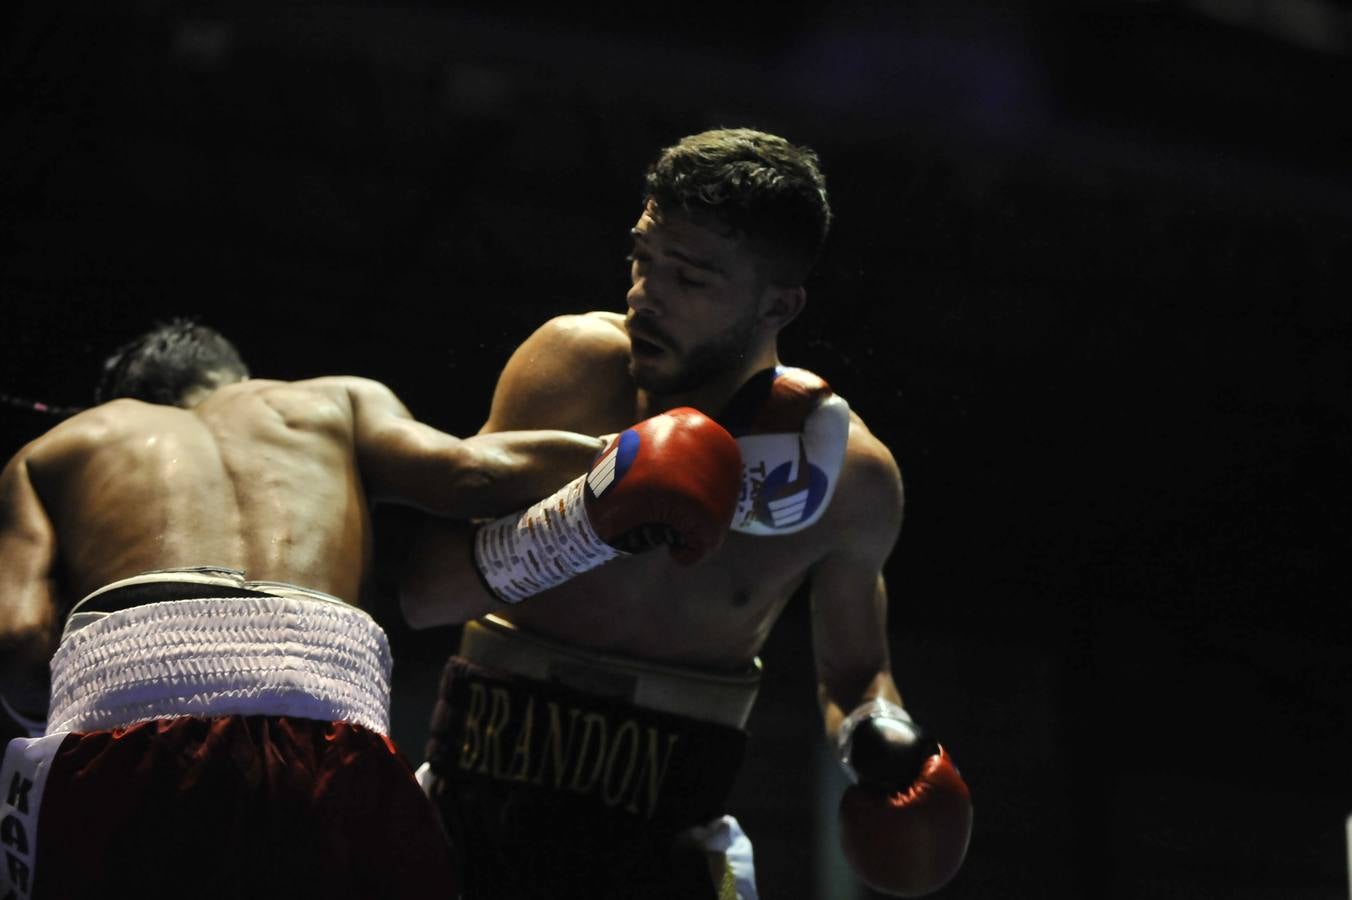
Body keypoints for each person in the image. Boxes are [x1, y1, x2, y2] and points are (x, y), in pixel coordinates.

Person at [401, 128, 974, 898]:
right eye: (642, 258)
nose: (645, 293)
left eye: (690, 277)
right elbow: (424, 593)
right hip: (470, 801)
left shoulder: (852, 484)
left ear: (780, 304)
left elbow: (855, 671)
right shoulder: (568, 368)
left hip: (668, 838)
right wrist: (588, 513)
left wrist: (877, 735)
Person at [0, 319, 628, 900]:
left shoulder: (54, 449)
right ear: (236, 375)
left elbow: (19, 637)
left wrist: (71, 710)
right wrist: (639, 460)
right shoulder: (335, 399)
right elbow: (470, 474)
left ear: (122, 399)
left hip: (123, 727)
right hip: (325, 720)